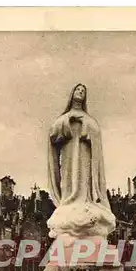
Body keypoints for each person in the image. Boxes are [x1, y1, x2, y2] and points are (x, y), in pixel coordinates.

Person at [47, 84, 116, 240]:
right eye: (78, 89)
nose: (81, 92)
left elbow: (95, 134)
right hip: (69, 155)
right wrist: (68, 121)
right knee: (70, 179)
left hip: (85, 156)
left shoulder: (89, 120)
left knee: (84, 179)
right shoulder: (64, 118)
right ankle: (70, 201)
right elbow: (53, 134)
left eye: (83, 91)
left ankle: (85, 200)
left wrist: (85, 126)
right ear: (72, 93)